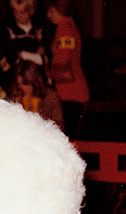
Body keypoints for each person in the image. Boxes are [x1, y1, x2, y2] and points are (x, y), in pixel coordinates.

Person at [46, 0, 89, 139]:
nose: (48, 16)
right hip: (73, 92)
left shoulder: (64, 28)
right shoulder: (69, 26)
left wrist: (47, 72)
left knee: (69, 141)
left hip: (70, 93)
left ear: (57, 11)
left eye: (50, 12)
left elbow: (63, 60)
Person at [0, 0, 49, 88]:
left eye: (22, 13)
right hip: (17, 82)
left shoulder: (39, 30)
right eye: (15, 12)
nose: (18, 16)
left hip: (37, 81)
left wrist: (23, 54)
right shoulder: (8, 31)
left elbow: (45, 59)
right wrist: (34, 57)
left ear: (31, 12)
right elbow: (11, 58)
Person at [9, 60, 64, 129]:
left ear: (35, 83)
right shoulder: (17, 96)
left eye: (25, 84)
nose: (21, 87)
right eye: (19, 84)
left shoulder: (50, 98)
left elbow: (58, 126)